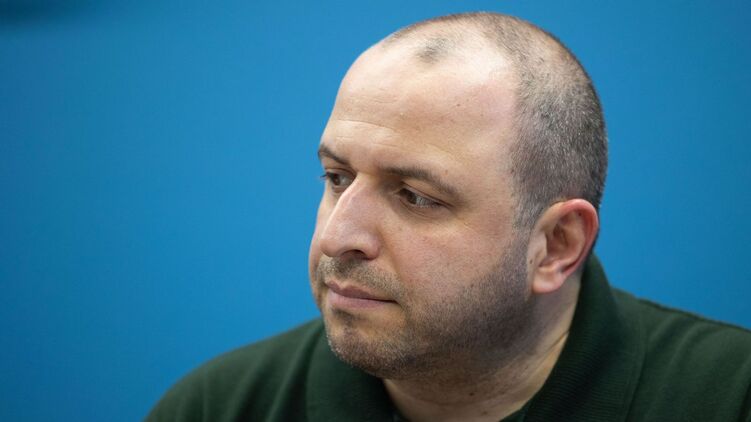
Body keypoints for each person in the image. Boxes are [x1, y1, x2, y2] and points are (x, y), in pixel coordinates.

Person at [147, 12, 751, 422]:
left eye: (415, 196)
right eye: (337, 178)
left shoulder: (727, 398)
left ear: (556, 245)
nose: (338, 237)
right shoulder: (219, 407)